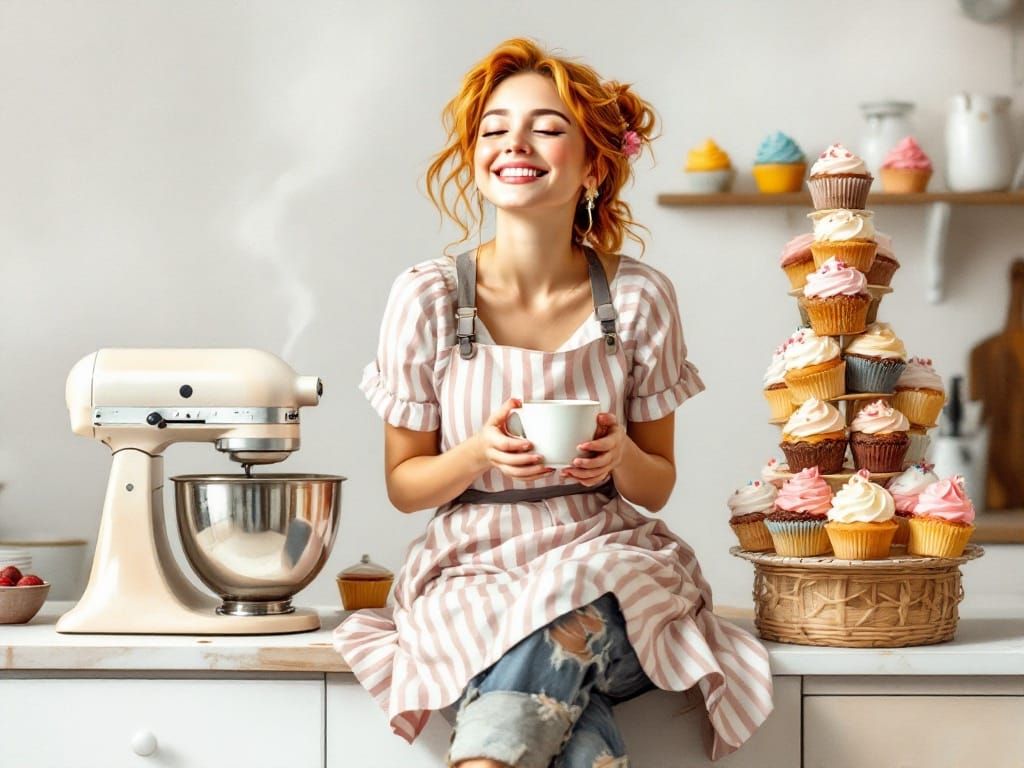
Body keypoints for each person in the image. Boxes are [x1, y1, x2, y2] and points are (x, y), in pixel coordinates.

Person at [334, 38, 772, 767]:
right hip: (470, 564)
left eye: (547, 125)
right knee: (546, 658)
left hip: (606, 556)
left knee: (566, 603)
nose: (515, 142)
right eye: (495, 127)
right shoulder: (428, 295)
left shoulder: (638, 297)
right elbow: (405, 485)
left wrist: (620, 454)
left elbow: (656, 484)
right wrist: (475, 452)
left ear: (594, 162)